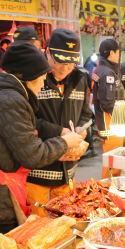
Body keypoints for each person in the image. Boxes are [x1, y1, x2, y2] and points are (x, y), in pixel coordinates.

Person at [0, 43, 82, 245]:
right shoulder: (11, 100)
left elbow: (17, 143)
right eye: (41, 79)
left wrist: (59, 149)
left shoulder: (5, 95)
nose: (42, 85)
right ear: (28, 78)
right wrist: (64, 142)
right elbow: (32, 154)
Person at [27, 28, 92, 216]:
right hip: (38, 170)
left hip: (68, 170)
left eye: (70, 63)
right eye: (59, 62)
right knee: (34, 227)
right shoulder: (34, 80)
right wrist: (60, 131)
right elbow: (26, 120)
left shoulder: (80, 79)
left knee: (64, 223)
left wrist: (82, 128)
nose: (64, 68)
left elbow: (86, 113)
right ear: (47, 52)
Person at [92, 39, 122, 178]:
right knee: (113, 164)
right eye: (118, 52)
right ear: (112, 53)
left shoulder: (100, 69)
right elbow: (107, 102)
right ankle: (109, 192)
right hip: (111, 124)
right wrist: (122, 119)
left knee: (112, 161)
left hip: (106, 123)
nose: (119, 55)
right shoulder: (107, 73)